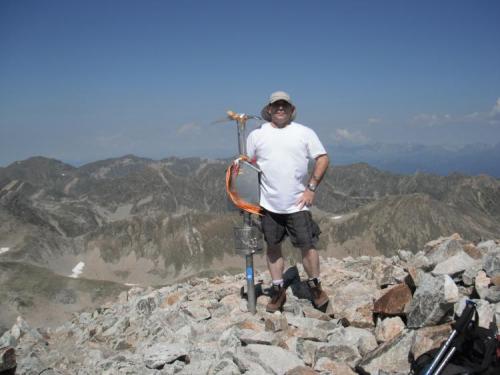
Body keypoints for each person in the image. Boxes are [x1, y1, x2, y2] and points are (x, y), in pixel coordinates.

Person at [246, 91, 330, 312]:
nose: (280, 108)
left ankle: (314, 286)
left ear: (291, 110)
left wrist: (311, 187)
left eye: (284, 105)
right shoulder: (256, 135)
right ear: (270, 110)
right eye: (276, 105)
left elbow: (322, 158)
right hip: (268, 204)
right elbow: (247, 166)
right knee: (273, 246)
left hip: (297, 204)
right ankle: (278, 290)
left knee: (307, 245)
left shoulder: (304, 133)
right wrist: (247, 199)